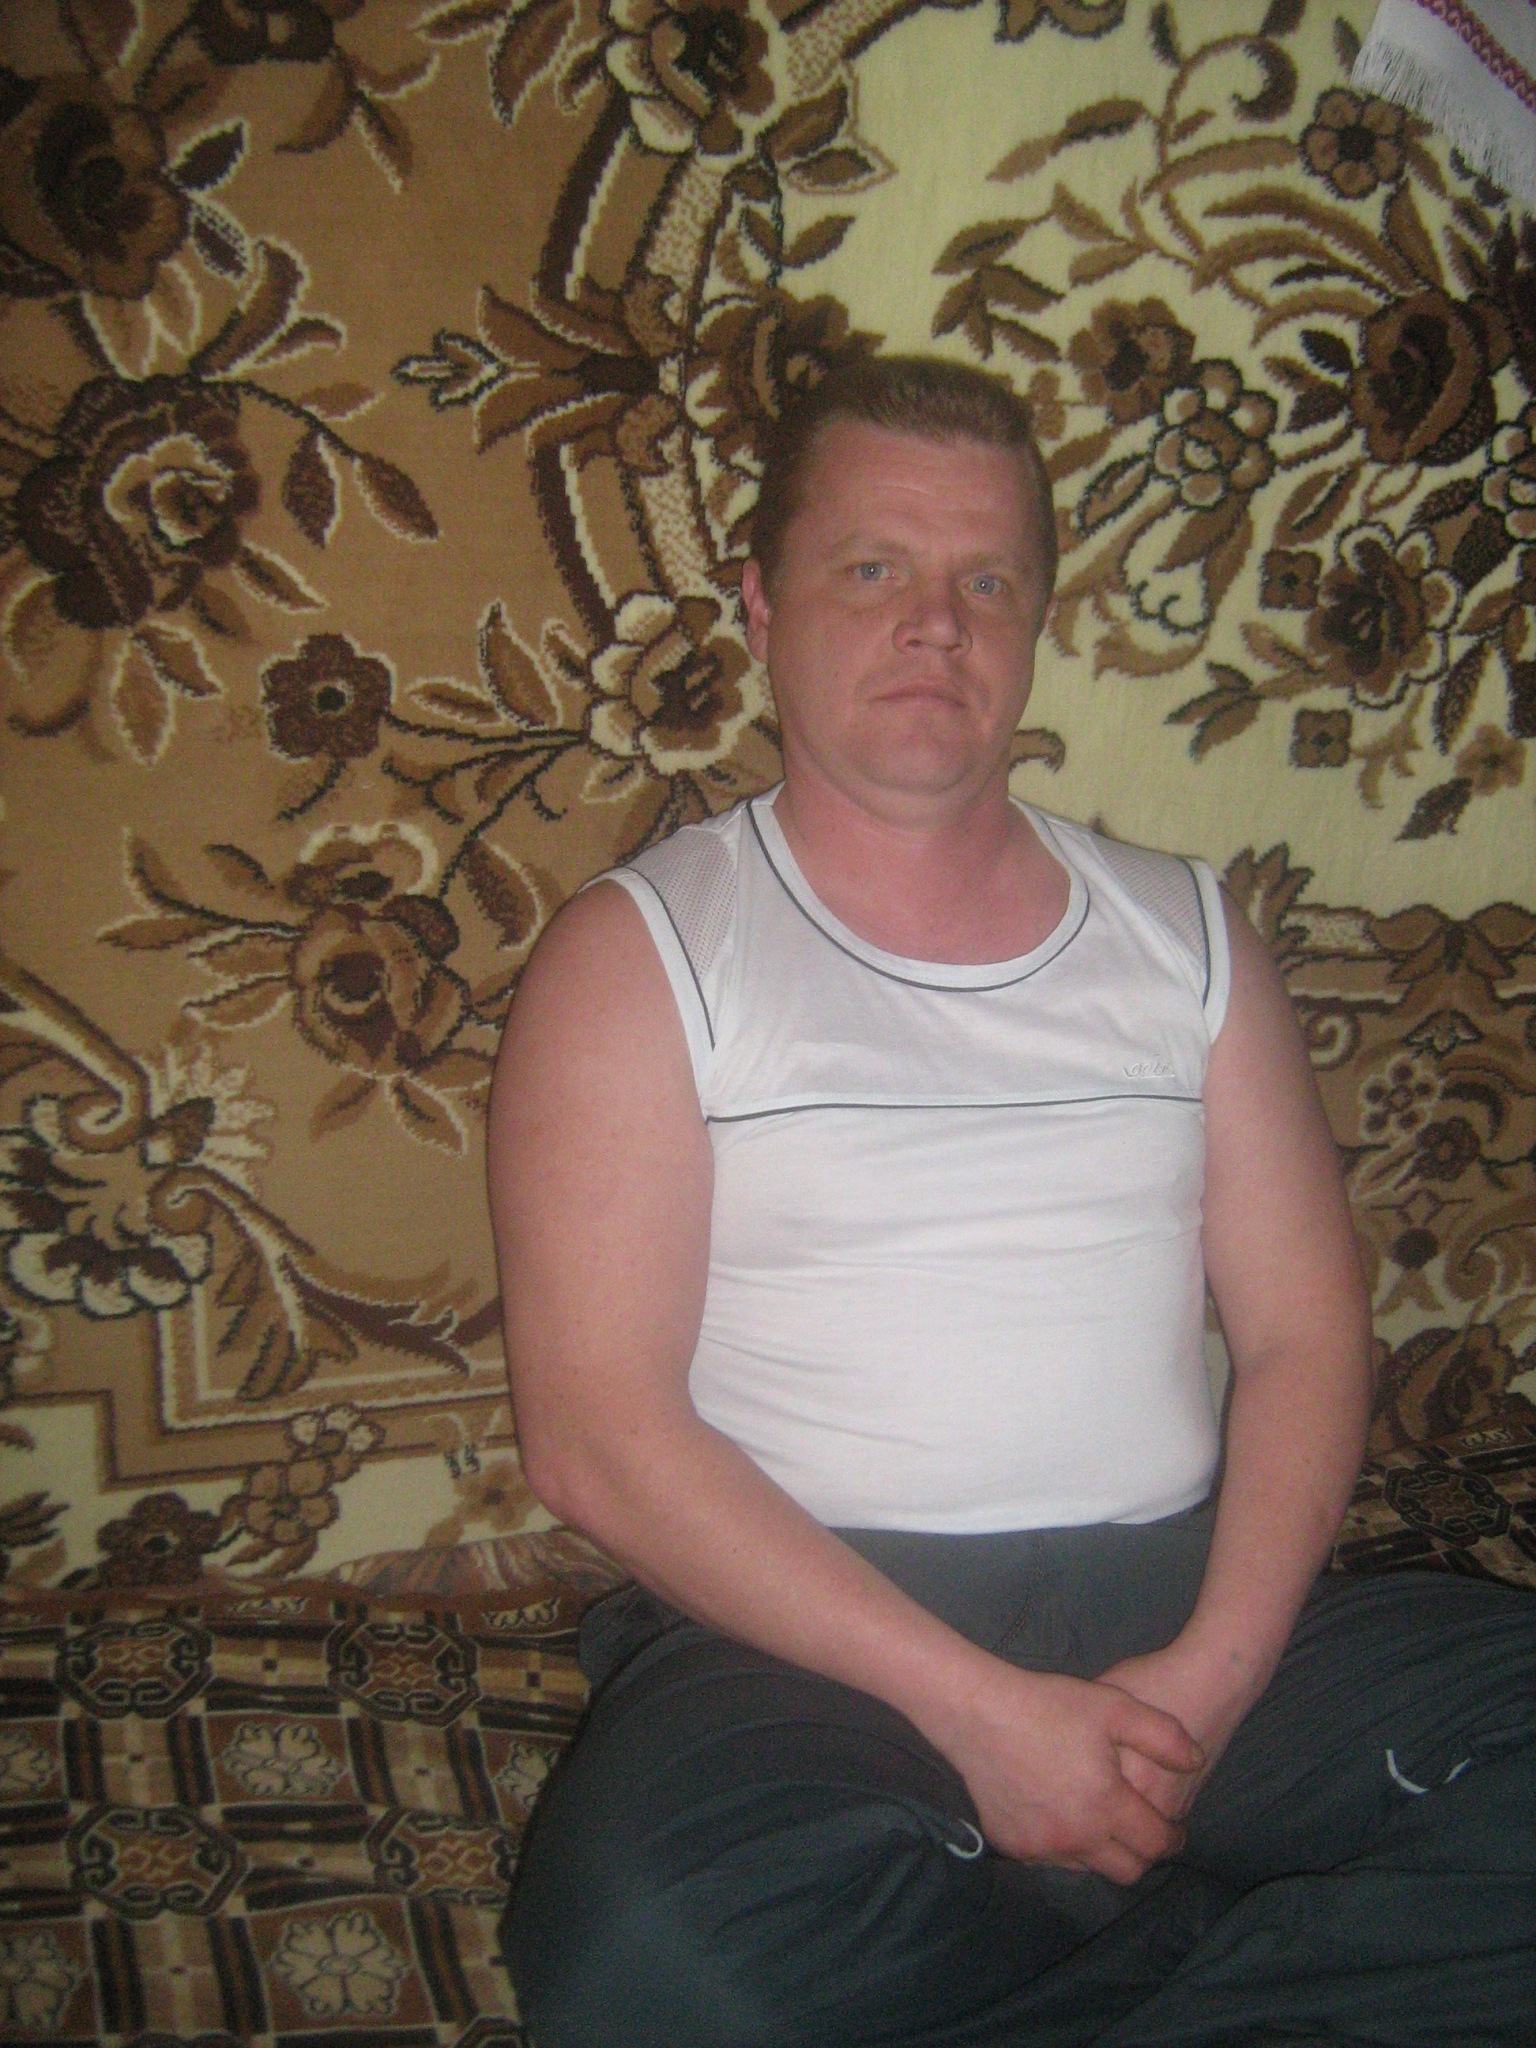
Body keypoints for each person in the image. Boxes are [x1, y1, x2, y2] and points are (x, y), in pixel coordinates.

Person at [487, 355, 1536, 2047]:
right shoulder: (644, 954)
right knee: (650, 1961)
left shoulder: (1184, 935)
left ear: (1038, 621)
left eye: (987, 581)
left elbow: (1304, 1337)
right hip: (817, 1636)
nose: (936, 624)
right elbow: (596, 1438)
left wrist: (1213, 1681)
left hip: (1177, 1605)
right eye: (873, 568)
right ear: (762, 606)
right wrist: (980, 1713)